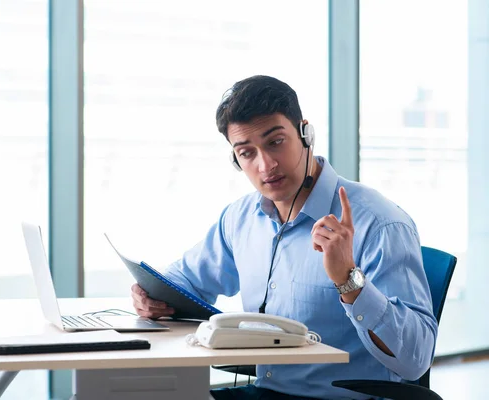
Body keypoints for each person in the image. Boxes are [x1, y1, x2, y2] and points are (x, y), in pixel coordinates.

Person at [130, 75, 437, 400]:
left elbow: (415, 360)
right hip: (266, 392)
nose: (266, 165)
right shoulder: (242, 217)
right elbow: (185, 281)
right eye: (247, 153)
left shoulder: (379, 222)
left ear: (306, 134)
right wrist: (150, 295)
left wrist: (349, 280)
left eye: (275, 142)